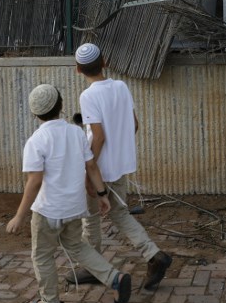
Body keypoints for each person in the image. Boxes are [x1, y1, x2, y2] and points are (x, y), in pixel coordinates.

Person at [6, 83, 132, 303]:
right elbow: (91, 165)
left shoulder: (36, 141)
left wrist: (20, 215)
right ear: (61, 106)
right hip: (75, 208)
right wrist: (102, 194)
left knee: (42, 255)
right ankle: (114, 278)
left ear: (35, 113)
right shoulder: (76, 133)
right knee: (77, 246)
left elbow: (34, 182)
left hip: (47, 212)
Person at [67, 42, 172, 290]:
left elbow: (98, 136)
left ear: (78, 70)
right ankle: (153, 255)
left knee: (91, 218)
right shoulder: (121, 87)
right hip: (120, 165)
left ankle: (94, 267)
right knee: (119, 213)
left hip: (99, 168)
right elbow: (134, 124)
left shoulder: (88, 95)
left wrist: (88, 172)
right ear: (105, 62)